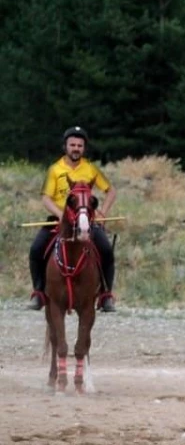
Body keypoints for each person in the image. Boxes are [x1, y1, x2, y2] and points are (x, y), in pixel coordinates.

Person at [27, 126, 118, 312]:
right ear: (65, 146)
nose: (76, 148)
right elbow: (46, 197)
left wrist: (103, 213)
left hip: (86, 220)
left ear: (84, 148)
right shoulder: (55, 169)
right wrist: (61, 215)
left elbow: (111, 191)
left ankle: (105, 296)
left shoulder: (91, 169)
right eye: (72, 145)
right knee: (36, 250)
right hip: (59, 219)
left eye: (80, 145)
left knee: (106, 250)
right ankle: (39, 293)